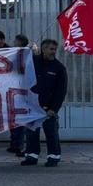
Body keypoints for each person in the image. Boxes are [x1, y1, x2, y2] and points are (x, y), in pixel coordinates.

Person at [23, 39, 67, 167]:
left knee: (51, 133)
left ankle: (53, 157)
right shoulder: (33, 62)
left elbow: (61, 91)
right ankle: (31, 156)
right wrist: (26, 49)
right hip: (32, 107)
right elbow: (19, 64)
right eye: (51, 49)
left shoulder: (59, 68)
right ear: (43, 49)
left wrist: (54, 108)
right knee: (31, 133)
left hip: (48, 108)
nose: (53, 52)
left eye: (54, 49)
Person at [7, 34, 31, 157]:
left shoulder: (26, 55)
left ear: (19, 42)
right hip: (14, 92)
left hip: (22, 92)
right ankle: (15, 144)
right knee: (14, 119)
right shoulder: (15, 54)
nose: (13, 42)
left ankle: (19, 145)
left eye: (15, 41)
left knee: (20, 120)